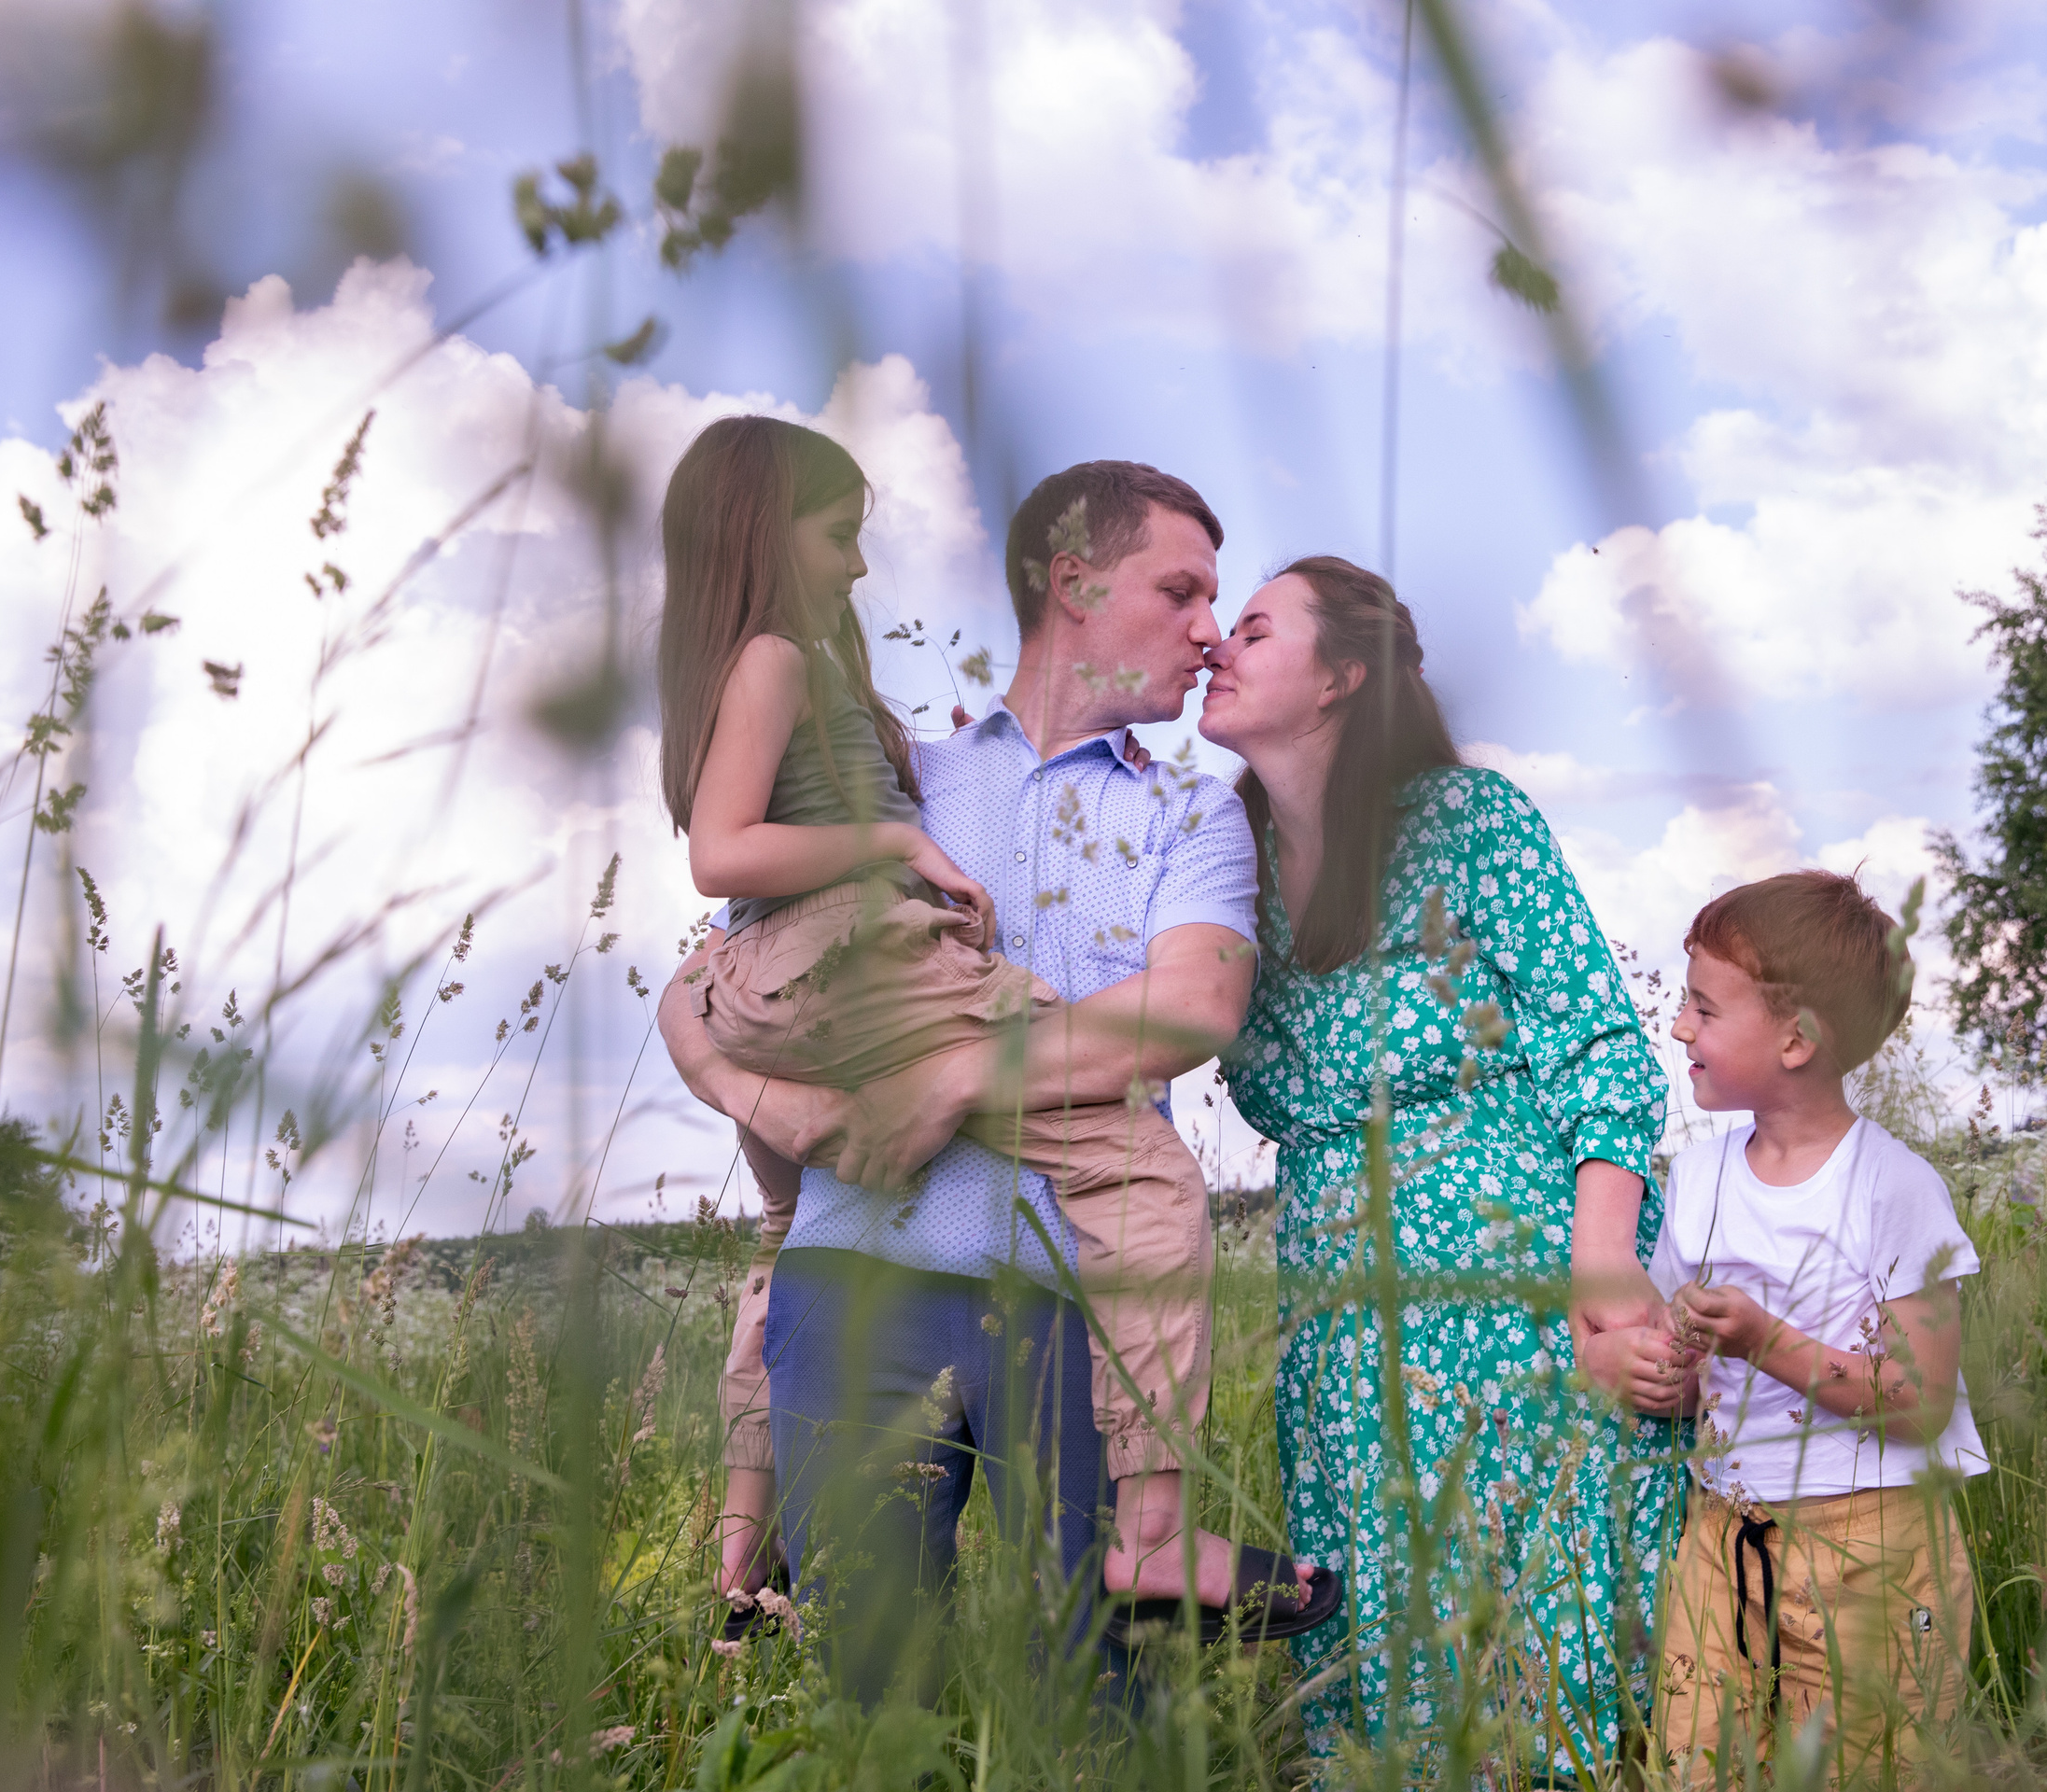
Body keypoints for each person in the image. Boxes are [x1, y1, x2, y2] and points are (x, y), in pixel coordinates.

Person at [657, 455, 1326, 1699]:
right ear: (1073, 582)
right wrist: (778, 1107)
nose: (1207, 632)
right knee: (872, 1700)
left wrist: (956, 1083)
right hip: (850, 1301)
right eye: (1179, 591)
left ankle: (1156, 1549)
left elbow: (1193, 1006)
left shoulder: (1192, 814)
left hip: (1076, 1315)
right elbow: (710, 984)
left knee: (1103, 1709)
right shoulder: (900, 781)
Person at [1199, 555, 1687, 1776]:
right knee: (1382, 1659)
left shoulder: (1468, 824)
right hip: (1343, 1334)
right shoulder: (1223, 864)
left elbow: (1599, 1049)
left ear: (1341, 679)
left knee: (1532, 1644)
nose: (1218, 644)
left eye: (1255, 628)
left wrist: (1602, 1276)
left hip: (1508, 1299)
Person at [1591, 871, 1986, 1783]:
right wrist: (1662, 1369)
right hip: (1723, 1529)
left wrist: (1763, 1339)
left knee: (1868, 1760)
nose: (1678, 1026)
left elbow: (1920, 1400)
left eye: (1703, 1007)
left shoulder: (1894, 1188)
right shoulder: (1696, 1177)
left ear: (1797, 1039)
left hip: (1873, 1544)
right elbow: (1691, 1368)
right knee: (1700, 1757)